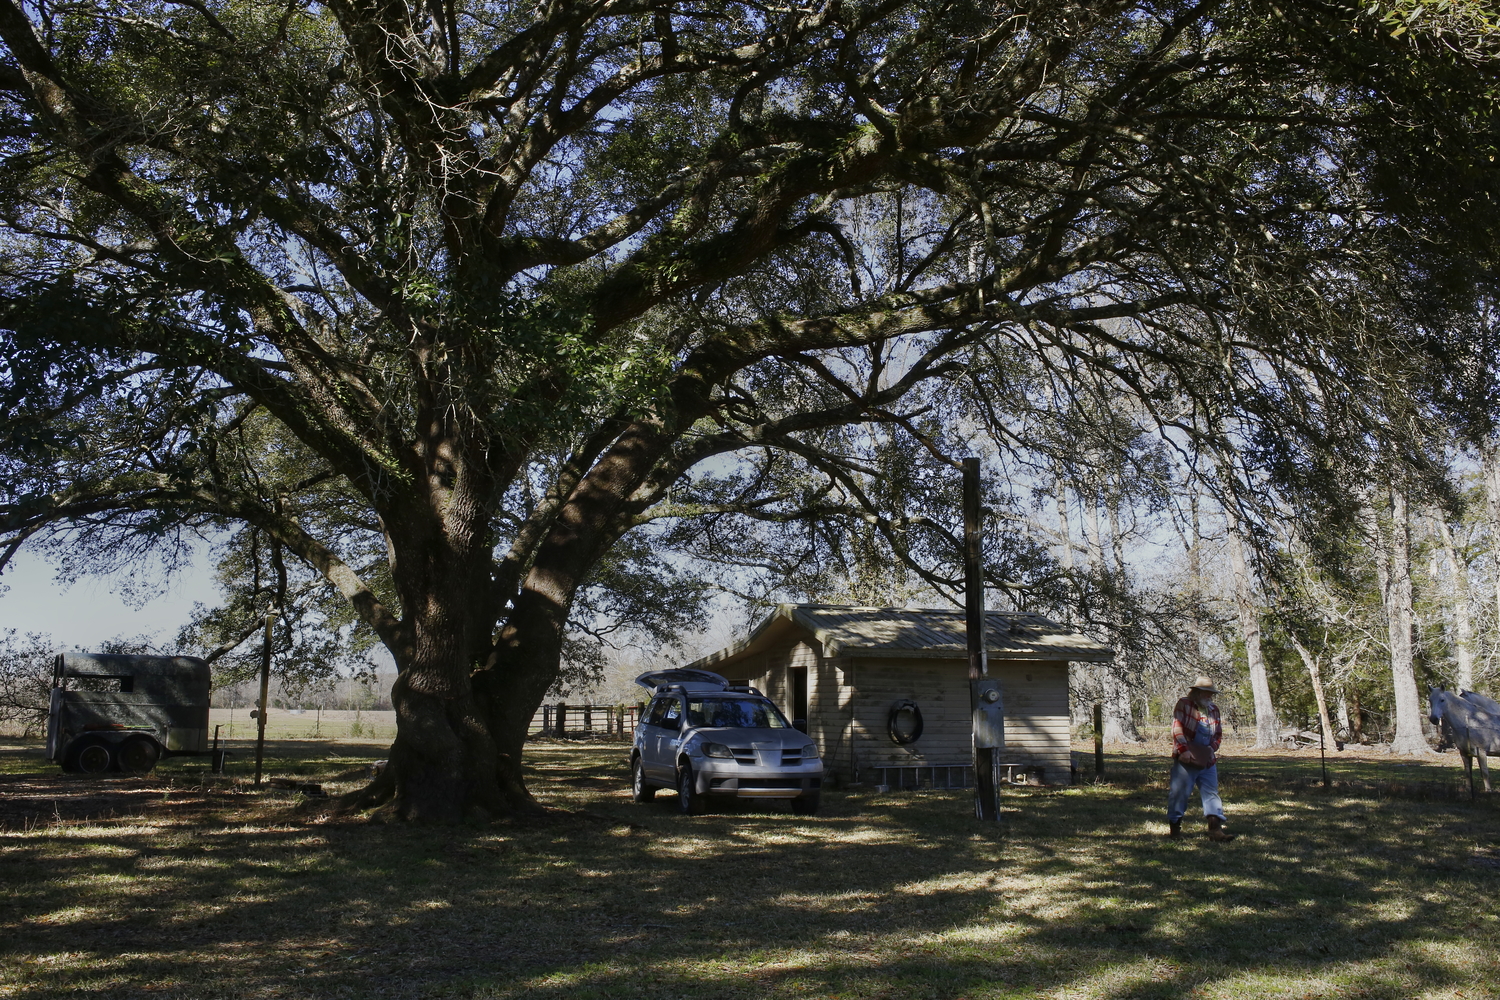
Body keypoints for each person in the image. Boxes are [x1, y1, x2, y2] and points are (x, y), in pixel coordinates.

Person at [1166, 676, 1235, 841]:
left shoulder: (1213, 709)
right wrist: (1183, 750)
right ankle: (1175, 831)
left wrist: (1212, 749)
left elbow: (1218, 734)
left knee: (1212, 793)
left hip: (1207, 759)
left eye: (1211, 693)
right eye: (1206, 693)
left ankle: (1215, 831)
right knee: (1179, 793)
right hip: (1187, 757)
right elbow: (1177, 728)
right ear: (1196, 692)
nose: (1209, 696)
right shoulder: (1184, 704)